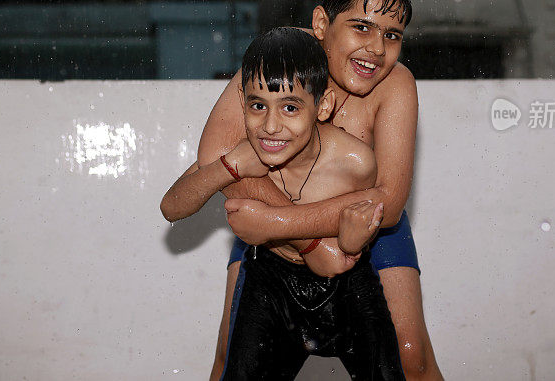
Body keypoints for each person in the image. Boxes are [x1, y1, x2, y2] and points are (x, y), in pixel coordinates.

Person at [199, 0, 443, 380]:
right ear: (320, 23)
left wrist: (281, 222)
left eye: (392, 35)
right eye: (361, 27)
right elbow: (214, 155)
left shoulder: (396, 83)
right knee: (230, 355)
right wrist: (307, 240)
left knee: (410, 356)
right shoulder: (281, 57)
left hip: (366, 229)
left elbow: (389, 201)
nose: (376, 49)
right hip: (272, 226)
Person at [161, 27, 404, 379]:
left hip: (348, 288)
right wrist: (229, 167)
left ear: (323, 107)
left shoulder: (355, 161)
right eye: (258, 106)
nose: (271, 126)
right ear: (242, 103)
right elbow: (172, 206)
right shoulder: (244, 152)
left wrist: (347, 242)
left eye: (290, 107)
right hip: (269, 281)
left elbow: (344, 253)